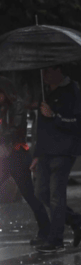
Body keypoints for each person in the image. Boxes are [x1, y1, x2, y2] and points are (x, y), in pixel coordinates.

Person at [31, 66, 81, 253]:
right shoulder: (45, 92)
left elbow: (76, 122)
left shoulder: (71, 91)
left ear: (58, 71)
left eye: (47, 71)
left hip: (63, 151)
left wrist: (54, 115)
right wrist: (36, 155)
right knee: (41, 192)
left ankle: (56, 239)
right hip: (46, 152)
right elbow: (41, 127)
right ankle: (76, 220)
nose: (44, 76)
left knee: (57, 195)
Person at [0, 82, 50, 245]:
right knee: (30, 195)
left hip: (17, 155)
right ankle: (46, 230)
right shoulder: (4, 107)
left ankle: (46, 230)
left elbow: (14, 130)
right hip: (6, 156)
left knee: (29, 195)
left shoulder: (17, 106)